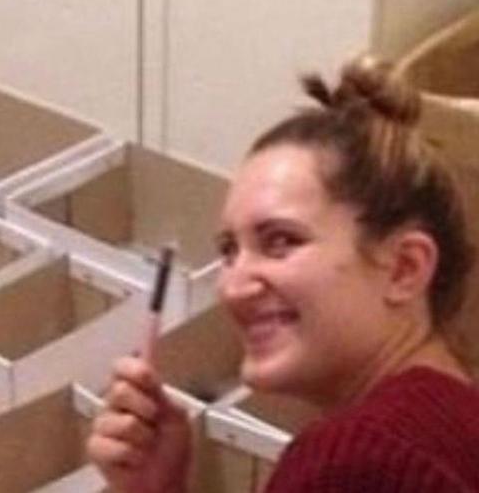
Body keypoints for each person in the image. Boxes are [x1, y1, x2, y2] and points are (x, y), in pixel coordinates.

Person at [88, 63, 479, 491]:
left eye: (281, 241)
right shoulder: (449, 419)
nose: (233, 289)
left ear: (406, 268)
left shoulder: (357, 458)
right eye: (229, 251)